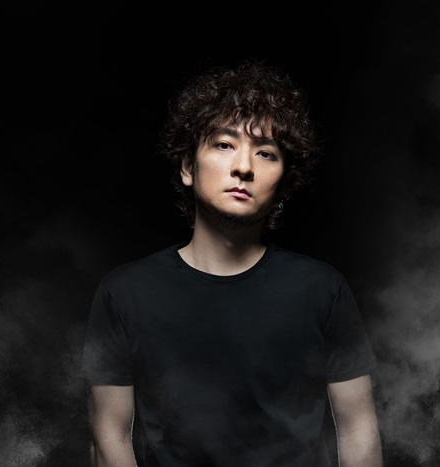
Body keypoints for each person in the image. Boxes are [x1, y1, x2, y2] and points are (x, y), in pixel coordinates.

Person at [79, 59, 383, 467]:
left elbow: (358, 429)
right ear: (188, 166)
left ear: (283, 183)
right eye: (224, 144)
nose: (244, 167)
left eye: (266, 153)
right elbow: (108, 438)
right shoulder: (123, 293)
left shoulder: (323, 289)